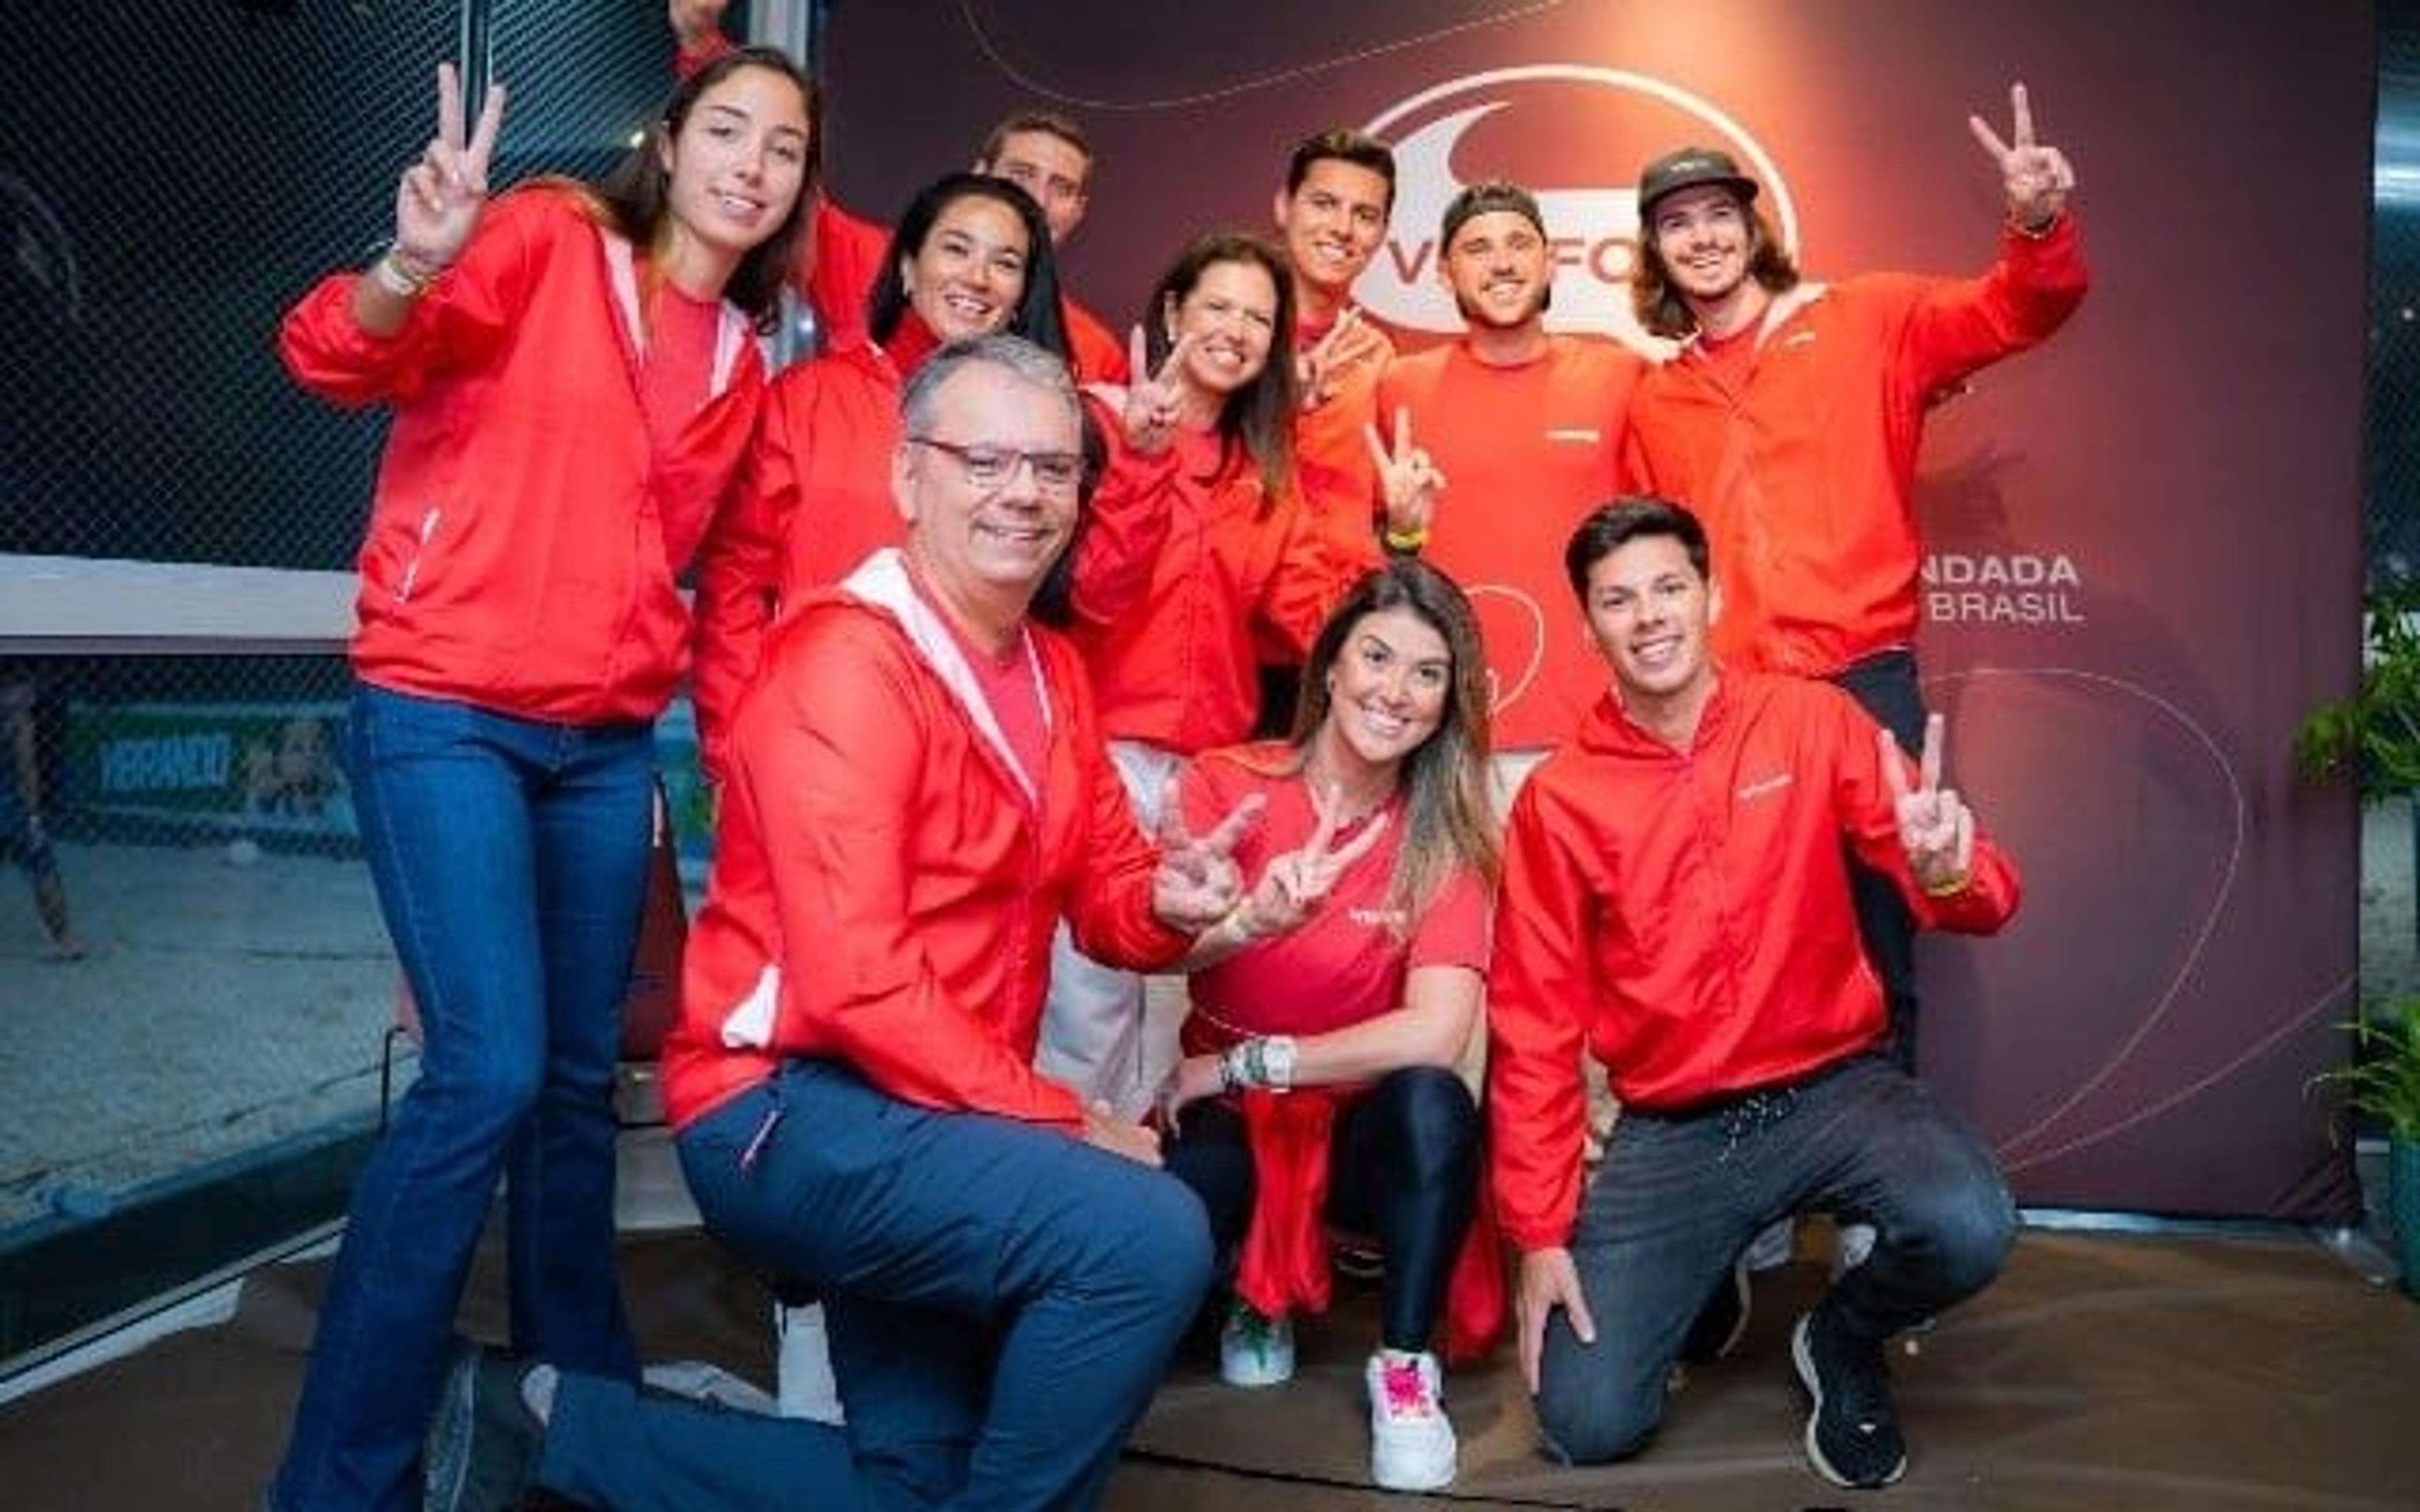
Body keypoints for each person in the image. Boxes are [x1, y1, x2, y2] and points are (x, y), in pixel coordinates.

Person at [423, 335, 1243, 1512]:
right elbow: (857, 981)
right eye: (987, 460)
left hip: (929, 1109)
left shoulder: (1057, 672)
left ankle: (544, 1428)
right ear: (909, 479)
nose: (1024, 492)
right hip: (790, 1108)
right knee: (1148, 1237)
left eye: (1056, 469)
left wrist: (1173, 902)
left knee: (917, 1483)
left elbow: (1108, 887)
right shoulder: (842, 665)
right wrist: (1066, 1118)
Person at [266, 50, 815, 1511]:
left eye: (784, 146)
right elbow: (333, 354)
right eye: (729, 130)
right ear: (672, 141)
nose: (752, 164)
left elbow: (740, 587)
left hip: (602, 749)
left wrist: (776, 784)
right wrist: (407, 259)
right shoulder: (549, 237)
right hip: (444, 707)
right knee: (485, 1074)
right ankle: (340, 1475)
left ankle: (590, 1428)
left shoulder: (745, 365)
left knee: (578, 1088)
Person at [1489, 498, 2023, 1491]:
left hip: (1836, 1090)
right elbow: (1531, 1027)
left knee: (1970, 1223)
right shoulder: (1561, 799)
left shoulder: (1814, 720)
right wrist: (1540, 1234)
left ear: (1712, 596)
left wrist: (1950, 870)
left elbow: (1982, 897)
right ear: (1589, 624)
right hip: (1677, 1130)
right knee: (1584, 1420)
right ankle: (1708, 1271)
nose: (1648, 616)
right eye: (1618, 600)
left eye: (1667, 588)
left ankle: (1842, 1338)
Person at [1621, 84, 2085, 1075]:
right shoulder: (1658, 396)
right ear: (1653, 255)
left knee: (1881, 933)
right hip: (1732, 704)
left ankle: (1879, 1201)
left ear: (1752, 226)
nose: (1700, 238)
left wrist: (2036, 221)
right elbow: (1651, 571)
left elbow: (2019, 308)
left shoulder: (1866, 316)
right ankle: (1757, 1198)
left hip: (1862, 686)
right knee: (1740, 949)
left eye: (1716, 214)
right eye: (1674, 225)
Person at [1158, 559, 1501, 1493]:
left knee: (1436, 1101)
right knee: (1161, 1267)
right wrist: (1245, 923)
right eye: (1377, 657)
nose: (1394, 691)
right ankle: (1245, 1288)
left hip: (1344, 1128)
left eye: (1426, 673)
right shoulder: (1225, 782)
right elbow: (1148, 954)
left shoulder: (1446, 835)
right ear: (1332, 668)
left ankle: (1402, 1366)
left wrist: (1248, 1063)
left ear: (1448, 701)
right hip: (1231, 1128)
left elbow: (1435, 1034)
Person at [1040, 230, 1400, 1117]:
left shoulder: (1263, 473)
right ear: (1172, 312)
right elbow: (1087, 598)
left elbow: (1316, 620)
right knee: (1087, 1000)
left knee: (1173, 1007)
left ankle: (1151, 1212)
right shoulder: (1094, 424)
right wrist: (1143, 459)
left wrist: (1403, 537)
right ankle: (1072, 1194)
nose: (1238, 331)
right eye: (1219, 308)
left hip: (1209, 770)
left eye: (1260, 319)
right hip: (1099, 753)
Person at [689, 169, 1074, 774]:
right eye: (956, 248)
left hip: (974, 756)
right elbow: (736, 588)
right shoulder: (808, 398)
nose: (977, 277)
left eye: (1005, 263)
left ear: (1023, 293)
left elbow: (1079, 598)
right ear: (907, 268)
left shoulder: (1039, 429)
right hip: (816, 739)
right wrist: (732, 748)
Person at [669, 0, 1127, 379]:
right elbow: (784, 196)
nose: (1037, 199)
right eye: (1021, 174)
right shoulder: (873, 263)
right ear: (980, 174)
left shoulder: (1095, 353)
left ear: (1079, 210)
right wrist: (702, 42)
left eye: (1061, 188)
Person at [1374, 181, 1645, 758]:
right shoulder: (1399, 386)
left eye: (1519, 243)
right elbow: (1377, 556)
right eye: (1477, 249)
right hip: (1446, 734)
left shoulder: (1622, 376)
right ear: (1445, 274)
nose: (1501, 263)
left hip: (1597, 733)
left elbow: (1667, 543)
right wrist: (1401, 531)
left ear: (1550, 263)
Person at [1259, 128, 1401, 736]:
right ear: (1285, 206)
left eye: (1364, 214)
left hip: (1336, 647)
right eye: (1324, 204)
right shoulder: (1233, 332)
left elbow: (1389, 518)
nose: (1343, 228)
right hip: (1233, 649)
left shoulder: (1379, 358)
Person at [2, 670, 79, 958]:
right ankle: (65, 941)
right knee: (43, 869)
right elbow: (27, 771)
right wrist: (34, 816)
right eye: (26, 687)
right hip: (12, 808)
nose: (33, 695)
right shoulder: (18, 721)